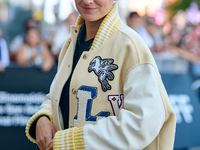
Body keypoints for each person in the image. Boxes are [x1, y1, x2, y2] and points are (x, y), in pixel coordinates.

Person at [26, 0, 176, 150]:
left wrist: (70, 141)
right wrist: (45, 117)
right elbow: (56, 95)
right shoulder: (71, 42)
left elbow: (143, 123)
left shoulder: (131, 46)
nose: (87, 1)